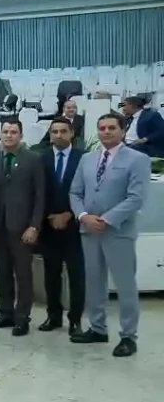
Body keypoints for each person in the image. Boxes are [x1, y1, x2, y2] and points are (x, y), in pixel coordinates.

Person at [70, 112, 151, 358]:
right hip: (89, 230)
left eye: (111, 128)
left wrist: (106, 219)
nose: (106, 132)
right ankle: (97, 328)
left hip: (118, 232)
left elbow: (136, 198)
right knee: (94, 282)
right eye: (102, 128)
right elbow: (75, 193)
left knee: (125, 285)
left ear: (123, 130)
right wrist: (83, 216)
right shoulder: (87, 159)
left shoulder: (138, 159)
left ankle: (128, 336)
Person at [0, 119, 45, 337]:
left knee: (23, 275)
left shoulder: (33, 159)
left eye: (13, 132)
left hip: (22, 228)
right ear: (0, 134)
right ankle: (5, 313)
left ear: (21, 135)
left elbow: (40, 196)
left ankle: (22, 318)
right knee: (2, 273)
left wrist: (34, 226)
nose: (9, 135)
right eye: (5, 132)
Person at [39, 117, 86, 335]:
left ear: (71, 134)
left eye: (63, 131)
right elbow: (37, 191)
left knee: (77, 275)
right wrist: (49, 215)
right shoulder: (41, 158)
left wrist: (69, 213)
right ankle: (53, 316)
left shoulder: (83, 159)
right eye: (54, 131)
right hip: (48, 226)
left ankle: (75, 320)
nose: (58, 135)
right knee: (51, 274)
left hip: (75, 226)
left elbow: (88, 192)